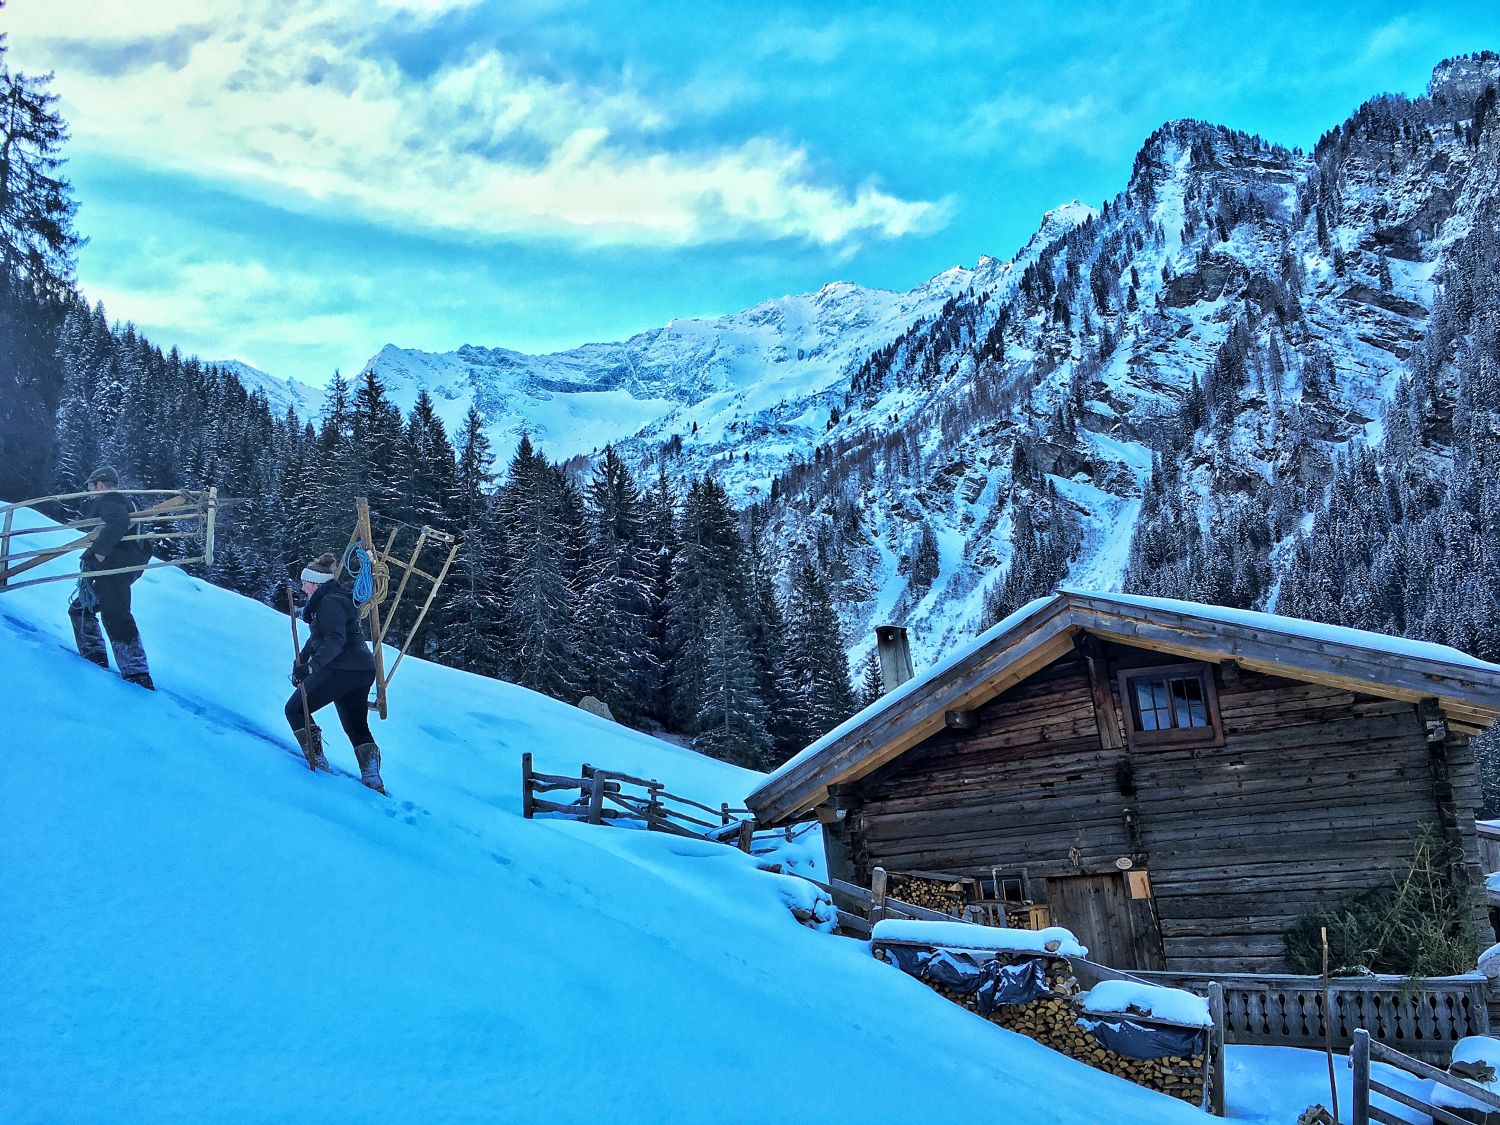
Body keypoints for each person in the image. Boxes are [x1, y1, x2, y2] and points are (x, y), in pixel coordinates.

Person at [286, 552, 386, 793]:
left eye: (305, 582)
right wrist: (301, 660)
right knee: (356, 724)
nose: (302, 587)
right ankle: (372, 776)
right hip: (361, 670)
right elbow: (319, 637)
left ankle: (317, 761)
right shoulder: (334, 598)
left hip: (342, 668)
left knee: (295, 709)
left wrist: (311, 667)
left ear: (316, 583)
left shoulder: (329, 602)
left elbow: (334, 640)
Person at [70, 465, 154, 690]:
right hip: (124, 563)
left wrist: (97, 552)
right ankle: (94, 657)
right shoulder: (126, 501)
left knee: (115, 613)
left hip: (116, 564)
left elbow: (118, 523)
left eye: (90, 488)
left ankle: (137, 674)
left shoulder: (110, 499)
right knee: (81, 609)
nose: (89, 493)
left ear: (99, 484)